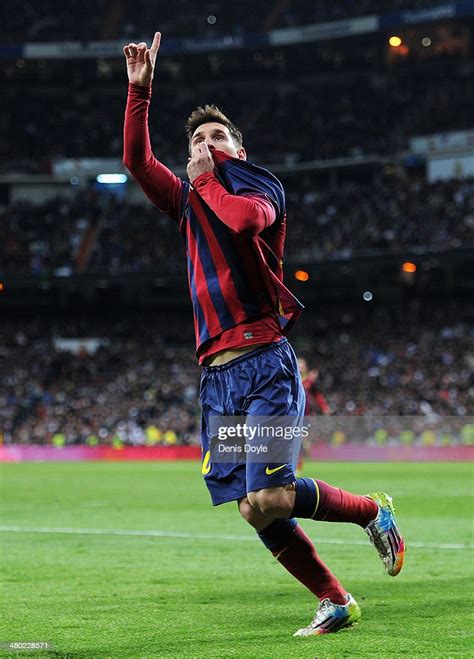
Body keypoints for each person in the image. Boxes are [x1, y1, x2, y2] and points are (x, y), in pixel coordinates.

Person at [122, 32, 405, 637]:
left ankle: (371, 512)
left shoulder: (256, 187)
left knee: (273, 497)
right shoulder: (191, 200)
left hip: (265, 364)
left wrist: (205, 179)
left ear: (240, 149)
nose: (204, 144)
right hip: (216, 378)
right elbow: (136, 163)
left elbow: (245, 221)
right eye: (197, 140)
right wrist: (138, 93)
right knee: (253, 507)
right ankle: (335, 600)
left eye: (217, 137)